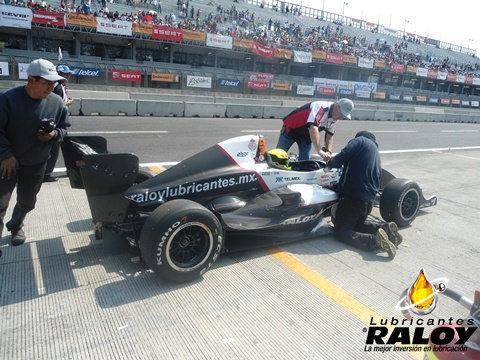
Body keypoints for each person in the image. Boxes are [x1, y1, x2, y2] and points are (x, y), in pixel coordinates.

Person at [0, 59, 69, 246]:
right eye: (46, 82)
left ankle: (15, 226)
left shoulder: (57, 103)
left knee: (28, 202)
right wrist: (5, 155)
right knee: (0, 204)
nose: (51, 86)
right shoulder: (7, 99)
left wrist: (54, 134)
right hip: (7, 163)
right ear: (31, 79)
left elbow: (64, 129)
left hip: (36, 163)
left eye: (54, 82)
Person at [327, 131, 403, 259]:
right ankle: (385, 228)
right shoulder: (375, 154)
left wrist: (331, 163)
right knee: (356, 226)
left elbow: (344, 154)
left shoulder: (360, 140)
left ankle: (374, 242)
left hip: (353, 197)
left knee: (341, 232)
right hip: (368, 200)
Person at [276, 98, 354, 162]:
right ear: (336, 106)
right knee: (277, 157)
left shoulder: (335, 118)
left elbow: (330, 135)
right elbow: (313, 128)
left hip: (306, 136)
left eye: (344, 116)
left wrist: (328, 151)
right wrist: (319, 150)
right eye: (341, 114)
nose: (341, 117)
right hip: (291, 130)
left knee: (304, 163)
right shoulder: (321, 107)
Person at [44, 64, 75, 182]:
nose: (68, 76)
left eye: (69, 74)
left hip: (60, 120)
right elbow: (55, 104)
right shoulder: (56, 86)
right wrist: (68, 103)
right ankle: (46, 174)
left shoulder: (61, 85)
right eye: (66, 74)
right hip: (55, 122)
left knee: (65, 146)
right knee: (54, 149)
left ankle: (69, 169)